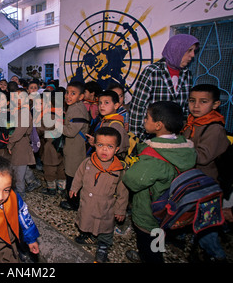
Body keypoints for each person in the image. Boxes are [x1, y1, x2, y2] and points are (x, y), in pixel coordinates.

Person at [123, 101, 197, 263]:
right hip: (170, 209)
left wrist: (130, 168)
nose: (144, 120)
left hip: (150, 211)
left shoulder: (155, 157)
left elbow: (133, 180)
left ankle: (150, 258)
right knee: (159, 236)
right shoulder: (185, 148)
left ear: (158, 125)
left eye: (147, 118)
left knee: (148, 241)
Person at [181, 84, 229, 262]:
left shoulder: (214, 129)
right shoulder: (192, 121)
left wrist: (179, 147)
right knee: (189, 213)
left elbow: (202, 157)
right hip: (191, 182)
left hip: (206, 186)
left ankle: (216, 254)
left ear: (215, 104)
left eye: (203, 102)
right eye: (192, 101)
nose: (196, 106)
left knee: (206, 223)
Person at [70, 127, 129, 263]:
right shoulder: (88, 162)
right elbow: (79, 175)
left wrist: (120, 209)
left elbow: (122, 192)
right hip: (88, 201)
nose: (104, 150)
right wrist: (75, 187)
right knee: (86, 218)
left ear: (116, 149)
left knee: (105, 227)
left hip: (106, 206)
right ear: (95, 145)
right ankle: (88, 236)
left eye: (109, 146)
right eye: (100, 145)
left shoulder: (119, 169)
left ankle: (103, 246)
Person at [129, 34, 199, 140]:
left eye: (194, 51)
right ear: (176, 50)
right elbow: (137, 108)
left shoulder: (187, 74)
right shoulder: (153, 72)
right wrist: (136, 139)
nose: (193, 55)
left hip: (174, 137)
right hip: (150, 135)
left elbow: (184, 108)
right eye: (189, 50)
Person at [60, 81, 90, 210]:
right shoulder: (74, 106)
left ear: (81, 96)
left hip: (75, 150)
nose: (68, 96)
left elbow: (70, 132)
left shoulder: (77, 109)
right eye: (67, 93)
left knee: (73, 176)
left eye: (73, 93)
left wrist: (57, 124)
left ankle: (73, 202)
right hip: (72, 148)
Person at [7, 88, 41, 197]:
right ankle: (33, 181)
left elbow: (19, 132)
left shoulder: (25, 112)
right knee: (22, 166)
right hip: (20, 143)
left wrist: (10, 143)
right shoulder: (19, 110)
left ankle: (20, 195)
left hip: (21, 144)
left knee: (18, 172)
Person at [36, 92, 66, 195]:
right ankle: (61, 188)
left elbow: (40, 130)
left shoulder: (48, 115)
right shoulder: (61, 113)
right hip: (60, 145)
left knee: (49, 168)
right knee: (61, 167)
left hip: (50, 146)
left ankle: (51, 189)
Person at [86, 90, 129, 159]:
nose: (102, 106)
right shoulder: (105, 121)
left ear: (116, 105)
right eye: (100, 103)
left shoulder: (115, 125)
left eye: (106, 103)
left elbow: (119, 147)